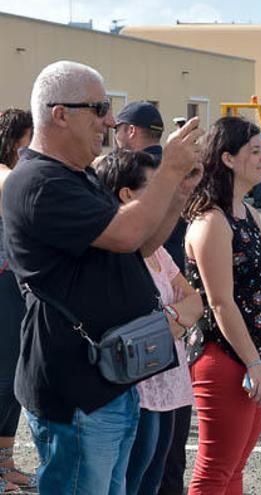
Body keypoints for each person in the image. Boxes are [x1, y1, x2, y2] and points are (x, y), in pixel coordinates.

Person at [2, 60, 201, 494]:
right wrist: (167, 169)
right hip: (77, 389)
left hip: (107, 381)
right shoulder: (38, 182)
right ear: (60, 113)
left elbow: (142, 245)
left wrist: (177, 193)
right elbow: (126, 232)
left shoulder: (78, 178)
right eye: (99, 108)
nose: (110, 120)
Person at [183, 116, 261, 494]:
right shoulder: (211, 221)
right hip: (226, 358)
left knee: (235, 469)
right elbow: (220, 303)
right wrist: (253, 363)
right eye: (255, 150)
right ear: (228, 158)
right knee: (216, 470)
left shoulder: (247, 214)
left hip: (257, 358)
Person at [94, 150, 203, 495]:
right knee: (134, 481)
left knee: (156, 479)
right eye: (155, 186)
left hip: (168, 378)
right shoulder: (123, 246)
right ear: (126, 195)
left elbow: (195, 301)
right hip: (140, 387)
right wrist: (174, 321)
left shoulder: (156, 249)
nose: (164, 193)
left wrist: (165, 322)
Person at [0, 108, 34, 494]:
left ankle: (6, 464)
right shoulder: (4, 173)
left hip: (18, 284)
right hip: (3, 284)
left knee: (13, 382)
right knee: (5, 379)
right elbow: (15, 188)